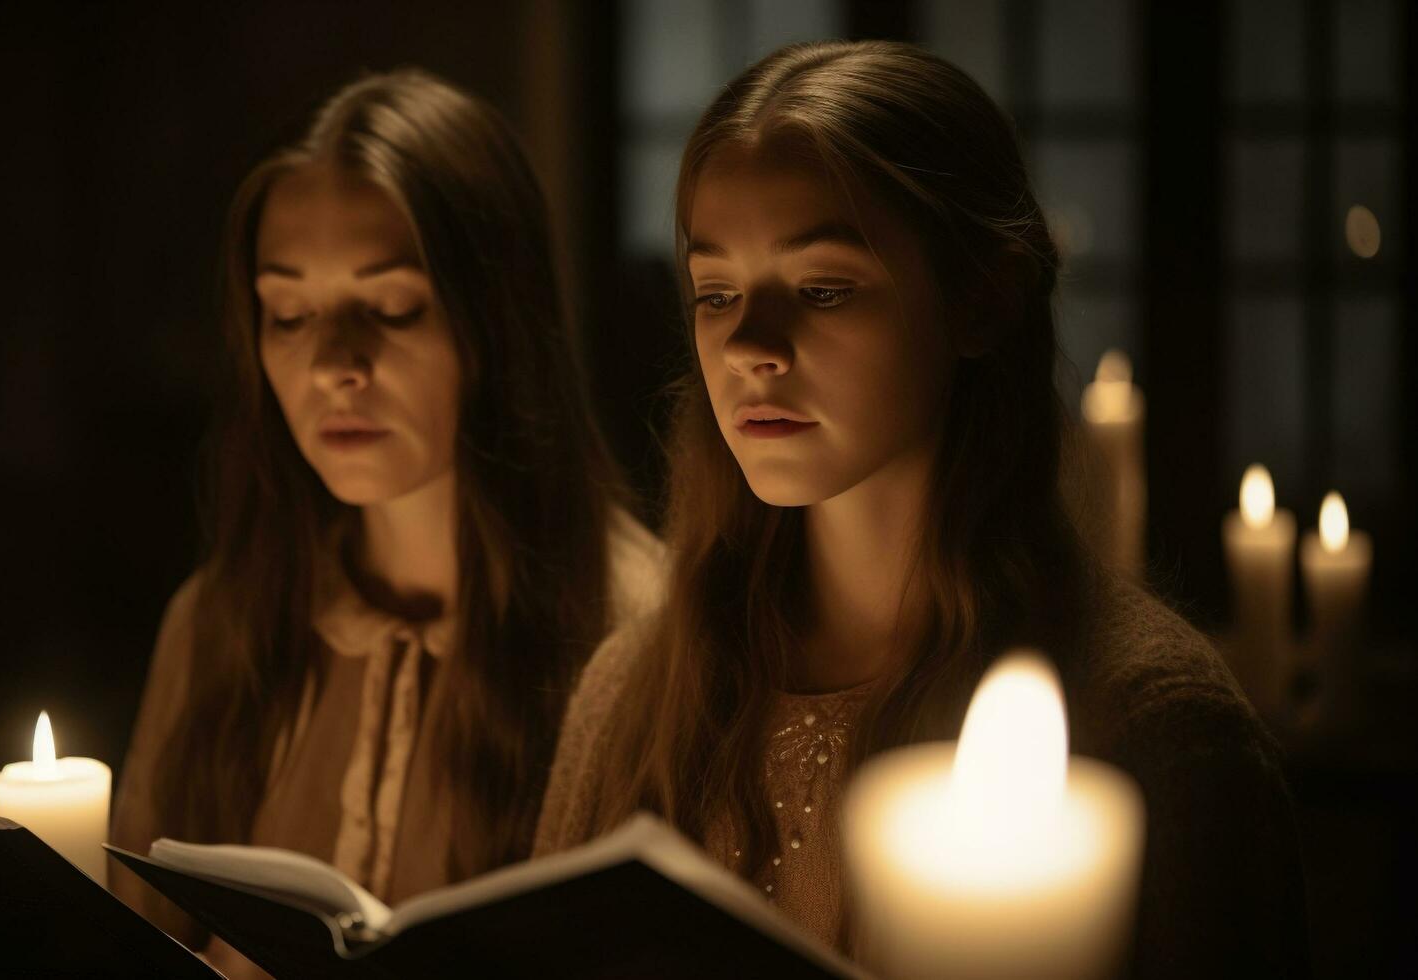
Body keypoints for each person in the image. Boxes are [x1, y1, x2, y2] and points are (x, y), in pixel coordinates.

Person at [535, 40, 1307, 977]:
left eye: (821, 288)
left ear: (981, 301)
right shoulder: (637, 691)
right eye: (716, 293)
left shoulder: (1146, 725)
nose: (749, 346)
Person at [110, 69, 661, 978]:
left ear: (494, 322)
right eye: (288, 313)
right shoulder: (222, 620)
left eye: (392, 307)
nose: (333, 364)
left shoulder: (637, 639)